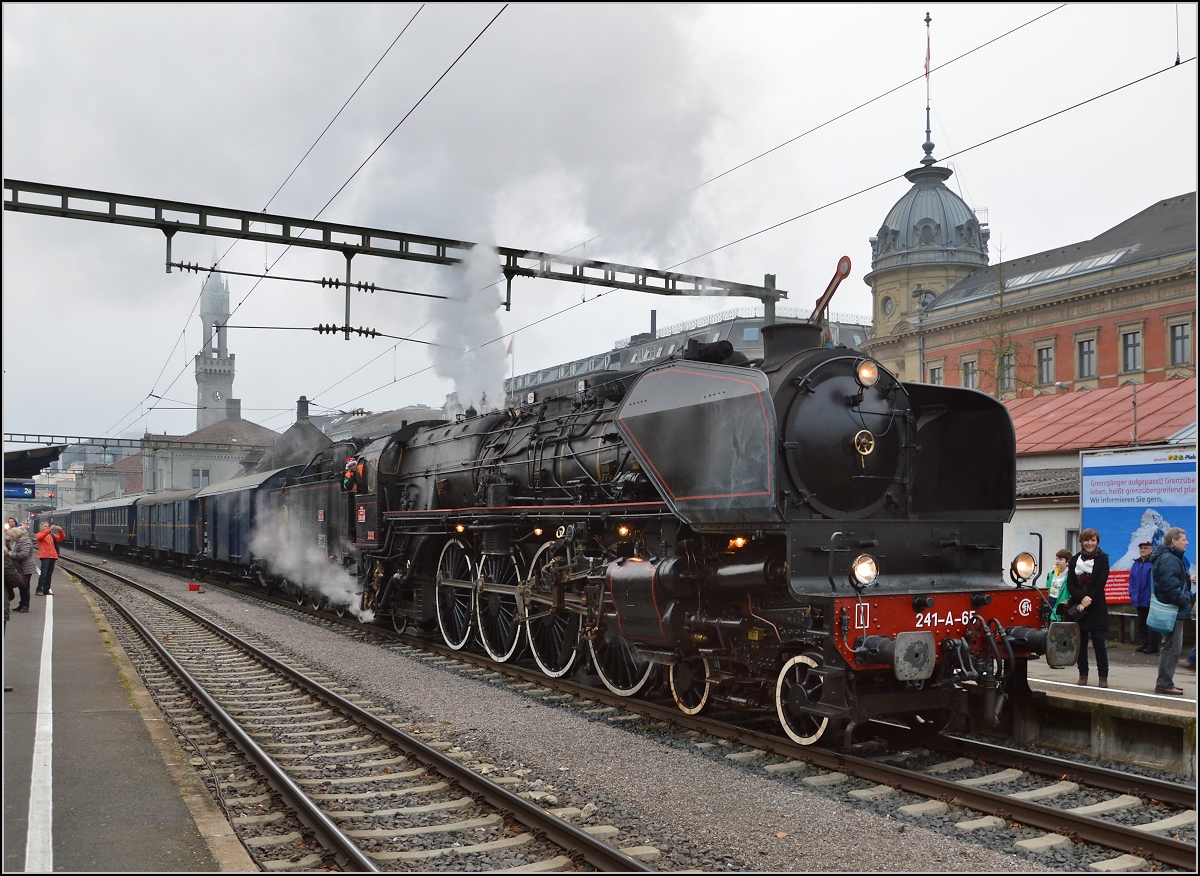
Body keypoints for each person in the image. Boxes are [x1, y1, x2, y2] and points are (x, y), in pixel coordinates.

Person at [1065, 528, 1110, 687]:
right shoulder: (1074, 560)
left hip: (1096, 606)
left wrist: (1088, 599)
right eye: (1086, 540)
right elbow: (1070, 584)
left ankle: (1103, 676)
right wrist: (1081, 598)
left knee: (1099, 642)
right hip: (1078, 607)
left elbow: (1101, 581)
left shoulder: (1103, 559)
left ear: (1097, 542)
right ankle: (1083, 674)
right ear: (1081, 542)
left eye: (1093, 540)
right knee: (1081, 643)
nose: (1089, 543)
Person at [1152, 528, 1193, 695]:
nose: (1187, 542)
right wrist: (1185, 600)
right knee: (1172, 648)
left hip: (1173, 608)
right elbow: (1170, 586)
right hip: (1173, 609)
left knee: (1170, 646)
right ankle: (1164, 683)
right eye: (1184, 539)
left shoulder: (1168, 557)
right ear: (1174, 541)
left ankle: (1165, 682)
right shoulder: (1169, 559)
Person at [1129, 540, 1160, 654]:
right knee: (1142, 622)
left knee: (1152, 623)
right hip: (1138, 599)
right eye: (1141, 548)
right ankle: (1145, 643)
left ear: (1151, 549)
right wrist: (1132, 593)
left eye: (1145, 548)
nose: (1143, 550)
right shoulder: (1136, 564)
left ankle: (1153, 645)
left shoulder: (1154, 563)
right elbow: (1131, 580)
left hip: (1150, 598)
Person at [8, 526, 35, 612]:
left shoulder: (25, 541)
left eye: (12, 536)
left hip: (26, 567)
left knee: (25, 586)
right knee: (22, 586)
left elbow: (24, 554)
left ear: (16, 534)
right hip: (21, 567)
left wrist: (11, 554)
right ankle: (22, 604)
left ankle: (25, 605)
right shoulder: (19, 541)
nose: (12, 538)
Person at [35, 522, 65, 596]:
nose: (47, 527)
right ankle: (39, 589)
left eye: (47, 526)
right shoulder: (39, 534)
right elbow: (40, 538)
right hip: (45, 556)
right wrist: (49, 530)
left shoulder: (52, 536)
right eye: (45, 526)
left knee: (49, 574)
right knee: (43, 574)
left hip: (53, 556)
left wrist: (60, 531)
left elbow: (61, 538)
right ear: (41, 527)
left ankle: (46, 589)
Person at [1044, 548, 1072, 622]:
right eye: (1056, 559)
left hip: (1060, 602)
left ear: (1067, 562)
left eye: (1060, 559)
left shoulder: (1070, 576)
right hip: (1050, 600)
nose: (1057, 561)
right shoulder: (1051, 574)